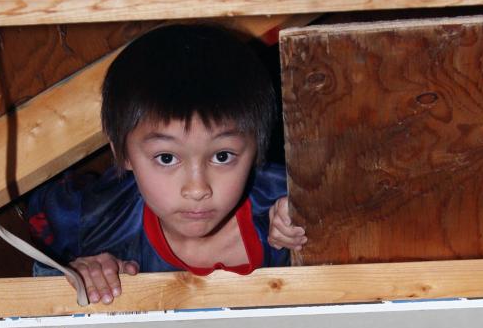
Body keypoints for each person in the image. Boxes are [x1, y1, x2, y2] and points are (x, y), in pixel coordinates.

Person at [27, 24, 307, 304]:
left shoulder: (286, 198)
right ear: (122, 153)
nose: (197, 189)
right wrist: (77, 273)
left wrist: (312, 226)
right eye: (166, 158)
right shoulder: (97, 220)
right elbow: (42, 245)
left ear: (256, 149)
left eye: (222, 156)